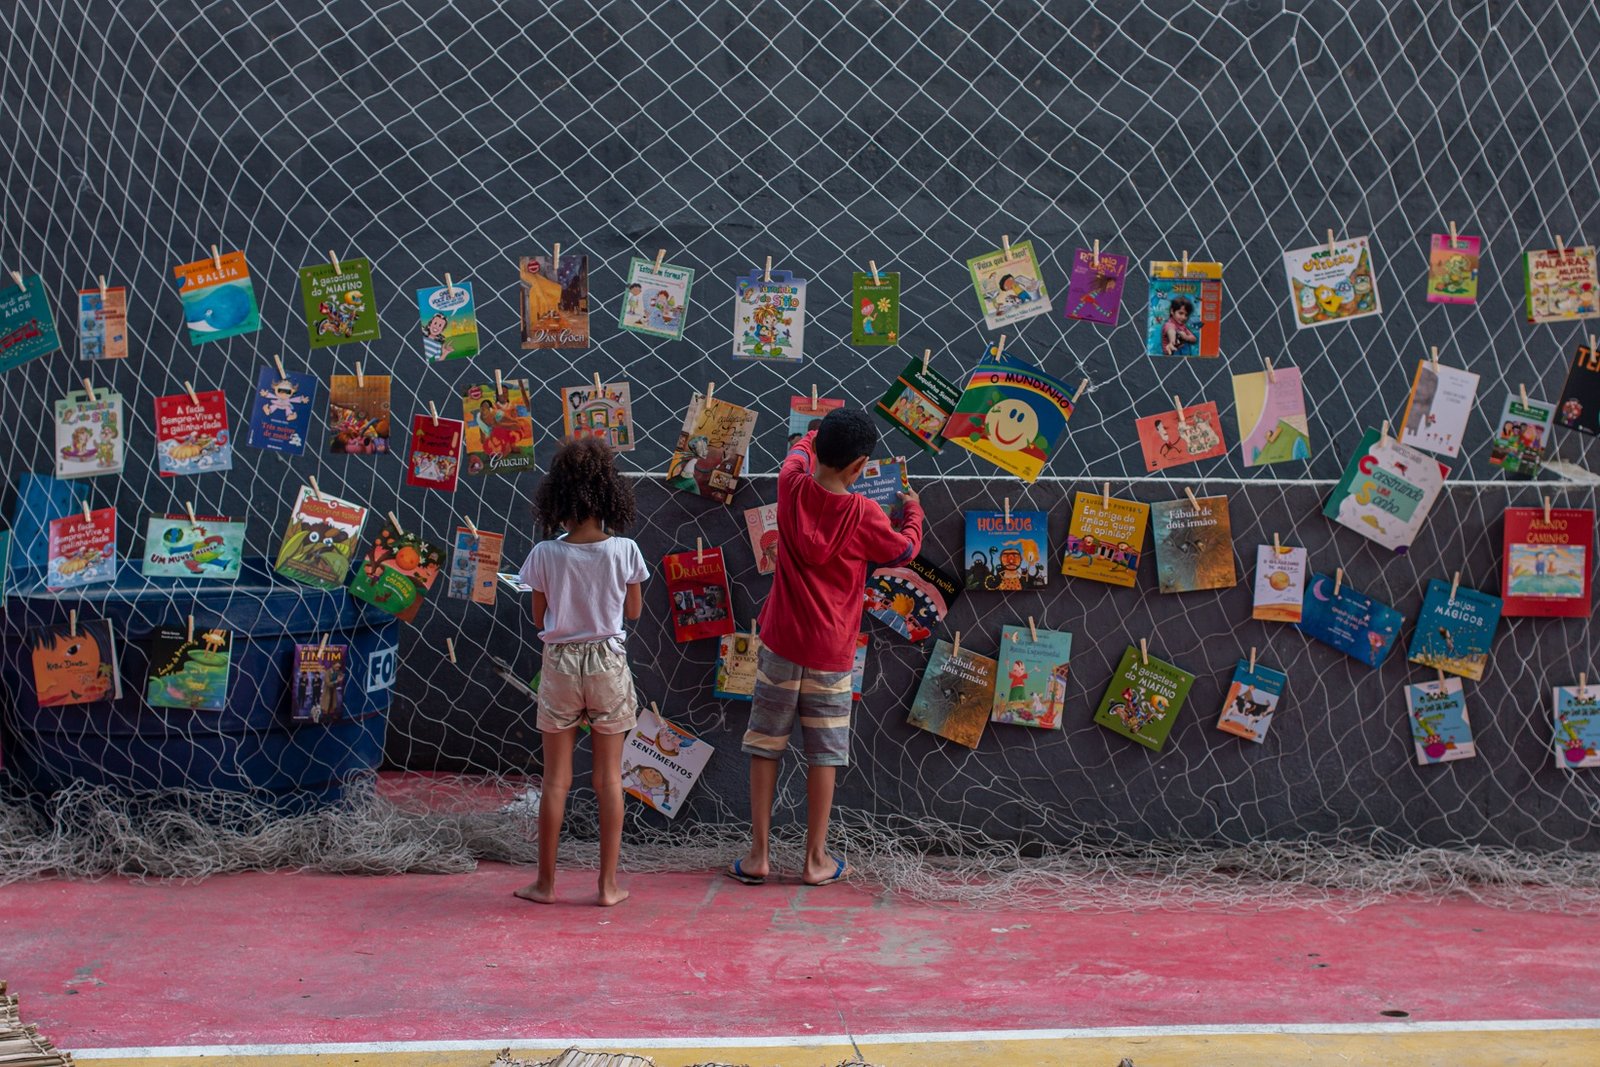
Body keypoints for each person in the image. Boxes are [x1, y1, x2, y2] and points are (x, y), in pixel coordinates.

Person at [730, 409, 924, 888]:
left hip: (780, 642)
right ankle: (815, 860)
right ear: (860, 467)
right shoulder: (866, 515)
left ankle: (758, 855)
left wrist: (813, 435)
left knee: (765, 745)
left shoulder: (790, 484)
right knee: (825, 754)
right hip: (833, 651)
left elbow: (798, 452)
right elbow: (903, 552)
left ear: (818, 451)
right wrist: (915, 511)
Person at [514, 438, 648, 908]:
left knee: (555, 780)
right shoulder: (625, 551)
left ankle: (545, 885)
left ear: (557, 498)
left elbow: (538, 618)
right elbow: (632, 612)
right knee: (609, 779)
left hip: (561, 666)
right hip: (608, 663)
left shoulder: (545, 555)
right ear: (610, 493)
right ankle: (607, 886)